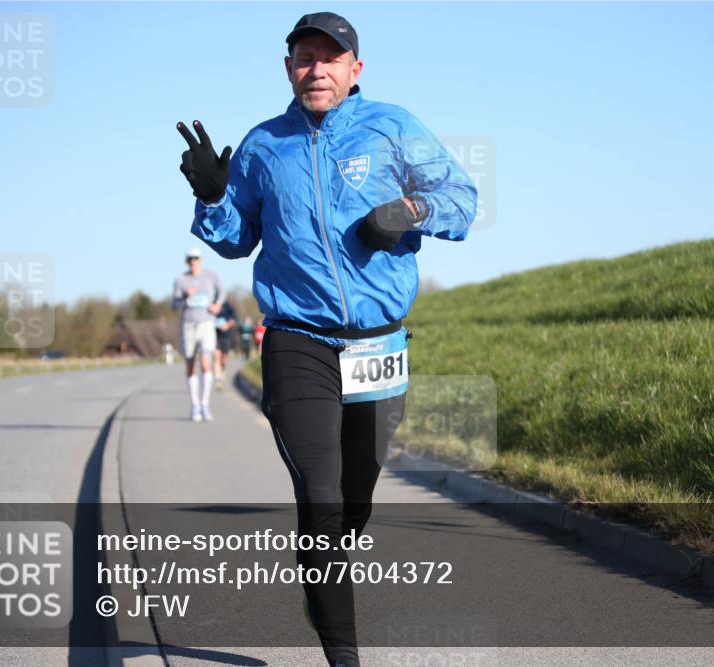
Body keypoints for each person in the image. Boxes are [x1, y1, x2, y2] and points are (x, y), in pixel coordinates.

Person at [176, 11, 476, 667]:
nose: (317, 68)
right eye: (304, 58)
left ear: (354, 69)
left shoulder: (392, 127)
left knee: (354, 501)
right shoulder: (263, 145)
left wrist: (409, 211)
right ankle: (344, 653)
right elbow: (233, 238)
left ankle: (324, 563)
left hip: (378, 345)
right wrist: (212, 196)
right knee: (322, 492)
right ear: (289, 69)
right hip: (297, 340)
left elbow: (462, 196)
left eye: (329, 58)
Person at [171, 247, 224, 422]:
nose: (193, 262)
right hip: (188, 324)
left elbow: (222, 292)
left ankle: (205, 404)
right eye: (190, 259)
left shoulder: (211, 276)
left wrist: (217, 305)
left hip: (206, 323)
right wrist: (185, 296)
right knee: (190, 362)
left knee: (206, 360)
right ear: (187, 261)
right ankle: (194, 405)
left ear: (201, 260)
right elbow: (174, 305)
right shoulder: (181, 279)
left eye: (196, 258)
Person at [213, 299, 238, 390]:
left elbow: (234, 319)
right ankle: (218, 379)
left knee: (224, 359)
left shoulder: (227, 306)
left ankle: (223, 370)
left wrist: (227, 325)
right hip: (215, 335)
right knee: (216, 357)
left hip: (226, 336)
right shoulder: (211, 304)